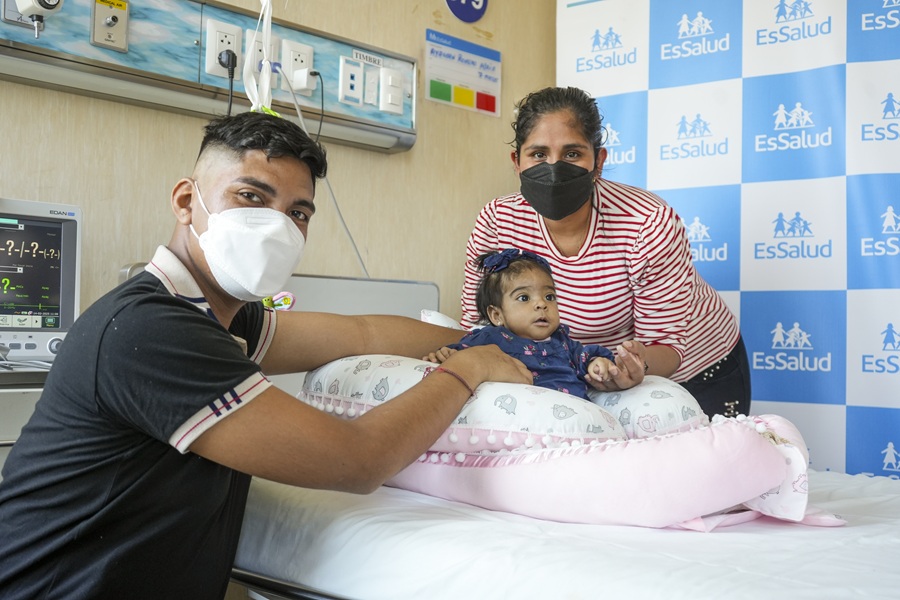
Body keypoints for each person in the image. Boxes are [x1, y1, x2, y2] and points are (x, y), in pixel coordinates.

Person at [0, 111, 531, 600]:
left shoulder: (218, 316)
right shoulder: (151, 330)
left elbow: (363, 333)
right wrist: (467, 370)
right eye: (251, 197)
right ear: (187, 202)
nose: (277, 226)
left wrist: (499, 340)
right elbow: (356, 459)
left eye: (297, 212)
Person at [460, 86, 751, 419]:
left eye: (572, 154)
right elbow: (477, 324)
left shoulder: (647, 222)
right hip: (584, 373)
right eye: (538, 154)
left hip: (698, 371)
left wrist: (632, 364)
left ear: (598, 161)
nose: (554, 169)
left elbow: (667, 348)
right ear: (517, 161)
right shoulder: (498, 222)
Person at [426, 248, 644, 399]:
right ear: (496, 315)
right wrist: (445, 354)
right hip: (524, 421)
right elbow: (464, 354)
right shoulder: (491, 339)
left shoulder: (564, 343)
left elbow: (588, 356)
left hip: (574, 420)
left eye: (549, 297)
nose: (541, 304)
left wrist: (599, 364)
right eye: (524, 298)